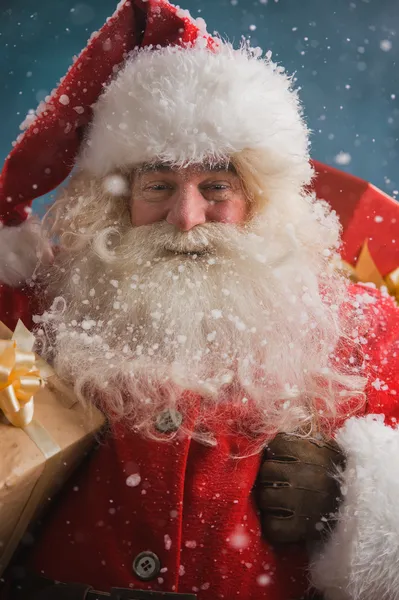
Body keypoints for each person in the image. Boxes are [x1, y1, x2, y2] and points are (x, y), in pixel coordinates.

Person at [1, 1, 399, 599]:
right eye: (157, 185)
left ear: (262, 199)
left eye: (216, 186)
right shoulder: (38, 309)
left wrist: (357, 495)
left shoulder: (363, 331)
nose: (186, 220)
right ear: (116, 201)